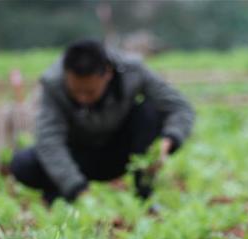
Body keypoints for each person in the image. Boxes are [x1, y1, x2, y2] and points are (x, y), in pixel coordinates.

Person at [11, 39, 194, 204]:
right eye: (76, 92)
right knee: (23, 164)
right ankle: (62, 196)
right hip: (79, 156)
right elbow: (49, 140)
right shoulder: (53, 83)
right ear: (66, 76)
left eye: (89, 92)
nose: (82, 98)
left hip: (122, 155)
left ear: (107, 73)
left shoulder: (133, 71)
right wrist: (78, 189)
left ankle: (144, 194)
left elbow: (180, 107)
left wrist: (167, 142)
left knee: (149, 111)